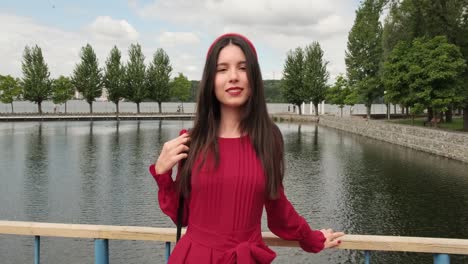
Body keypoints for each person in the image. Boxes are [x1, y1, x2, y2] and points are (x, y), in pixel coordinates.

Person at [149, 33, 344, 263]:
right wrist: (162, 174)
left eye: (242, 68)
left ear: (253, 76)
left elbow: (278, 209)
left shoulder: (269, 139)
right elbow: (181, 216)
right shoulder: (191, 141)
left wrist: (312, 238)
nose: (233, 77)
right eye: (222, 69)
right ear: (211, 80)